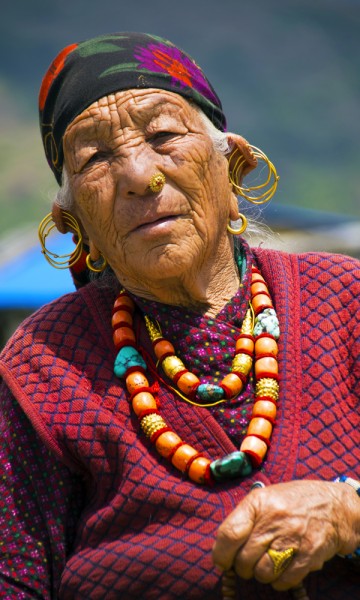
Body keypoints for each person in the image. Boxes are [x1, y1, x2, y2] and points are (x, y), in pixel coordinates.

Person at [0, 32, 359, 600]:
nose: (141, 175)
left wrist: (347, 510)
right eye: (95, 157)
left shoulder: (345, 302)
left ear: (232, 168)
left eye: (164, 134)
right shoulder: (43, 366)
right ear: (75, 224)